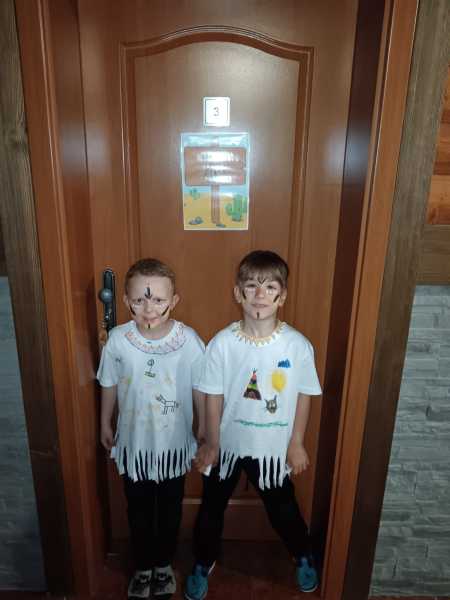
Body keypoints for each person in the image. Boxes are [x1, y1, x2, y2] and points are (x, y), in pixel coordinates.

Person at [184, 250, 322, 600]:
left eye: (270, 287)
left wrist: (297, 443)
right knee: (211, 508)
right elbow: (212, 396)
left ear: (282, 296)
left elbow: (305, 395)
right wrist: (211, 442)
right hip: (227, 446)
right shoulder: (222, 344)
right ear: (238, 293)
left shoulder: (298, 346)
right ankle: (203, 560)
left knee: (283, 507)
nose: (260, 295)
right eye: (251, 286)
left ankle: (302, 554)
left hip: (271, 449)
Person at [97, 258, 205, 600]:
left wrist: (205, 428)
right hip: (135, 447)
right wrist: (104, 421)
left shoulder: (188, 341)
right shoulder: (118, 340)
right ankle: (143, 566)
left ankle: (163, 565)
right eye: (140, 300)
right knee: (139, 510)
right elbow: (109, 383)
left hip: (173, 446)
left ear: (174, 301)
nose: (149, 308)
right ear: (126, 301)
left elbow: (201, 387)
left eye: (158, 300)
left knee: (170, 510)